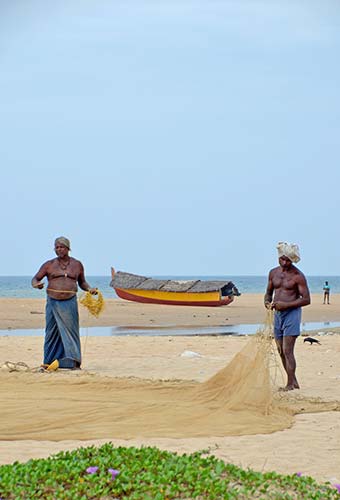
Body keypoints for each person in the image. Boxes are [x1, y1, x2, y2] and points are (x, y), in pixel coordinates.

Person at [31, 236, 97, 371]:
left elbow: (82, 282)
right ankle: (49, 361)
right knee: (51, 332)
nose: (59, 249)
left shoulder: (77, 264)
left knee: (71, 332)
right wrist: (36, 284)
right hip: (53, 303)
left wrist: (90, 289)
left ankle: (73, 362)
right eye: (57, 247)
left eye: (61, 247)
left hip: (69, 303)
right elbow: (35, 278)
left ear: (68, 248)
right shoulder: (48, 264)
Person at [264, 242, 310, 391]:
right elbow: (268, 293)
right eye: (282, 259)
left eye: (288, 260)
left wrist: (285, 305)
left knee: (288, 350)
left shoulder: (298, 276)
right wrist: (266, 301)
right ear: (279, 257)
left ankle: (290, 385)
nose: (284, 263)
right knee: (280, 350)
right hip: (278, 315)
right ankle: (293, 381)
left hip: (292, 314)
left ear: (292, 260)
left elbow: (306, 299)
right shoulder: (273, 273)